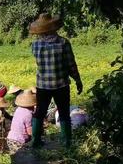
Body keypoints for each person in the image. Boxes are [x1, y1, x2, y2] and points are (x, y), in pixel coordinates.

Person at [29, 13, 83, 148]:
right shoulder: (64, 43)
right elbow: (71, 64)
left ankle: (35, 141)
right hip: (61, 85)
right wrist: (77, 80)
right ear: (54, 28)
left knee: (40, 112)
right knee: (64, 112)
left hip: (43, 85)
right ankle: (66, 142)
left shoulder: (35, 45)